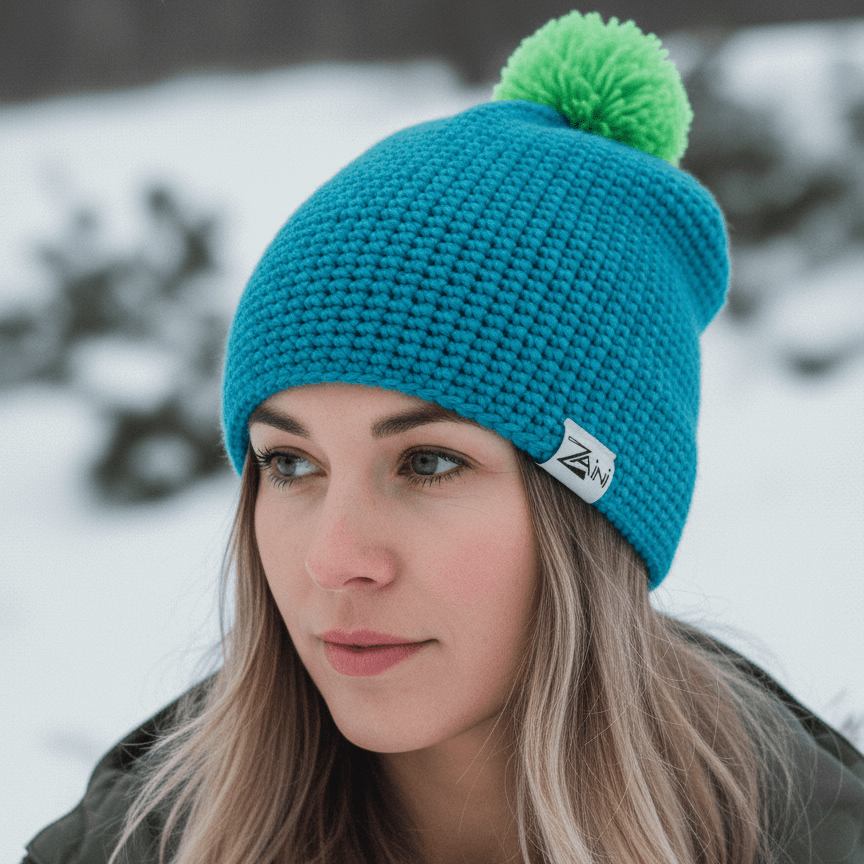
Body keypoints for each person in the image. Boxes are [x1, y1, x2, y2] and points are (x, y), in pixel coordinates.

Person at [22, 10, 864, 864]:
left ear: (591, 499)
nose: (333, 558)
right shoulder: (137, 845)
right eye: (290, 463)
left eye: (428, 462)